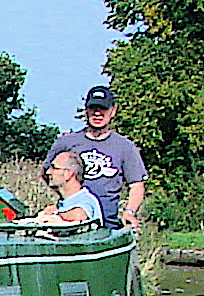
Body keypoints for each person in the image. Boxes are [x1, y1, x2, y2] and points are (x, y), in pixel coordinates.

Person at [49, 85, 148, 227]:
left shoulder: (124, 146)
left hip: (108, 224)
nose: (97, 113)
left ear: (113, 111)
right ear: (86, 110)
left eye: (103, 108)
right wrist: (62, 203)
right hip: (73, 220)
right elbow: (48, 173)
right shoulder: (66, 143)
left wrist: (129, 212)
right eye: (93, 108)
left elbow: (137, 185)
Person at [18, 154, 106, 228]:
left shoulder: (86, 199)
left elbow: (79, 215)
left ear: (68, 174)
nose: (48, 172)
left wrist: (53, 215)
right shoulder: (66, 202)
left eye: (54, 168)